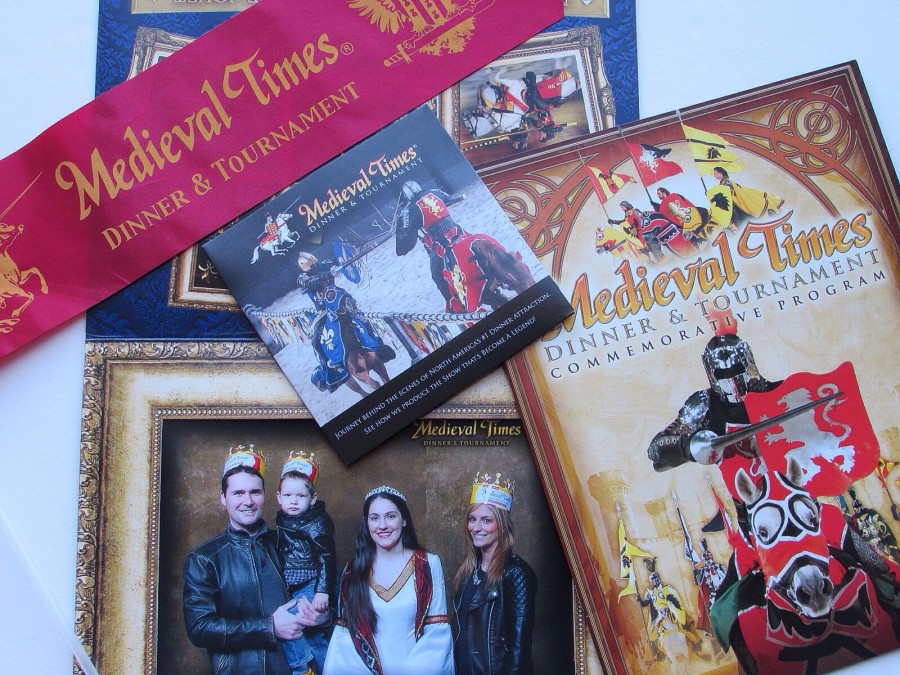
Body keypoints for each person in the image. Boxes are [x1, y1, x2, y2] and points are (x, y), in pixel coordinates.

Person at [183, 445, 331, 675]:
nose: (248, 501)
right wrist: (269, 627)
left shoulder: (289, 544)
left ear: (265, 496)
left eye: (255, 492)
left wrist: (324, 617)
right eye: (238, 493)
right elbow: (199, 628)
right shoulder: (205, 559)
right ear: (223, 498)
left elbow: (325, 593)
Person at [323, 486, 454, 674]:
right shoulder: (352, 571)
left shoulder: (427, 564)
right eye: (374, 518)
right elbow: (345, 639)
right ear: (367, 523)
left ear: (404, 520)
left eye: (391, 516)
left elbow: (437, 633)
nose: (382, 525)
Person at [453, 472, 537, 674]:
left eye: (486, 520)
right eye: (472, 519)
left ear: (502, 525)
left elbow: (518, 654)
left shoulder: (517, 574)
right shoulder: (468, 571)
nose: (476, 527)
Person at [276, 451, 336, 675]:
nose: (293, 501)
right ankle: (328, 669)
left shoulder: (316, 522)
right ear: (279, 497)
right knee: (314, 635)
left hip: (311, 581)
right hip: (293, 583)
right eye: (288, 495)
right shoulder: (283, 517)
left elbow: (326, 557)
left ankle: (301, 668)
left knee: (291, 623)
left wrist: (322, 591)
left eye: (300, 496)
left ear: (312, 499)